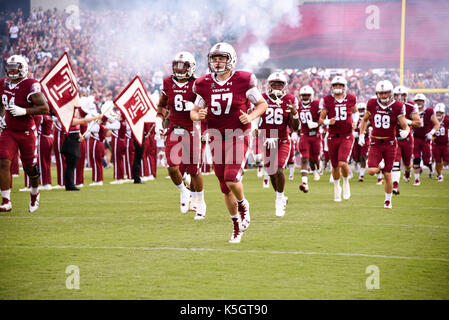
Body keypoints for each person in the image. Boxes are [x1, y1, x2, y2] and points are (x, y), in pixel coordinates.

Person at [190, 42, 268, 243]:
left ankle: (243, 204)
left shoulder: (243, 80)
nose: (217, 62)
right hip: (216, 137)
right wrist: (199, 115)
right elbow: (193, 112)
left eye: (221, 58)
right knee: (224, 187)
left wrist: (251, 118)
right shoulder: (203, 83)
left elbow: (262, 104)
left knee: (231, 177)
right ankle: (236, 227)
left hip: (238, 135)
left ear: (231, 59)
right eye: (214, 59)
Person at [155, 51, 207, 219]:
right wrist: (158, 120)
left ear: (190, 67)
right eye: (176, 65)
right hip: (174, 128)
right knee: (171, 166)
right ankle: (183, 192)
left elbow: (205, 106)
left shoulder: (197, 83)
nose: (178, 69)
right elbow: (162, 105)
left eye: (182, 66)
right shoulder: (167, 82)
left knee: (194, 170)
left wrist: (193, 107)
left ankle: (200, 202)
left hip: (192, 129)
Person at [0, 55, 49, 213]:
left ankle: (35, 192)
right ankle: (6, 200)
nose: (12, 70)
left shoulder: (31, 85)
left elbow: (45, 108)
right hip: (9, 130)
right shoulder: (3, 83)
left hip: (27, 131)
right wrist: (1, 117)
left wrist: (25, 111)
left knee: (30, 169)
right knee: (3, 160)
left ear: (23, 68)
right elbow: (1, 102)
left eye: (15, 67)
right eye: (10, 66)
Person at [358, 80, 410, 209]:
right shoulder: (371, 103)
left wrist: (406, 132)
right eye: (381, 93)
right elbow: (365, 119)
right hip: (375, 142)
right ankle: (381, 166)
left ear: (390, 93)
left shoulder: (397, 106)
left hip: (390, 143)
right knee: (371, 171)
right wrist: (361, 134)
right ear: (377, 93)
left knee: (387, 174)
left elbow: (404, 125)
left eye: (386, 93)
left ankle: (388, 201)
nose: (383, 95)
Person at [259, 71, 299, 217]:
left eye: (279, 84)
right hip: (267, 140)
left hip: (282, 139)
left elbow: (295, 126)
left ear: (284, 86)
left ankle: (279, 199)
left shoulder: (289, 99)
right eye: (274, 84)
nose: (276, 86)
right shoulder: (262, 98)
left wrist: (294, 114)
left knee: (278, 170)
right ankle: (281, 196)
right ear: (269, 85)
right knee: (271, 173)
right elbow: (256, 116)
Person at [319, 76, 358, 202]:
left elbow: (356, 112)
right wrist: (327, 121)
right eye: (335, 85)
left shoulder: (351, 98)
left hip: (346, 135)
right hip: (332, 136)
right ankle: (337, 187)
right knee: (335, 166)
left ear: (344, 87)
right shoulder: (327, 100)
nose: (338, 88)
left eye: (340, 85)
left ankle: (346, 183)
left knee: (343, 162)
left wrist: (355, 121)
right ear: (332, 87)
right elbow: (320, 120)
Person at [61, 108, 101, 191]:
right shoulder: (69, 120)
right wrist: (96, 117)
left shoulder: (73, 120)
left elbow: (77, 129)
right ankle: (69, 185)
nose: (76, 113)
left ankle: (70, 184)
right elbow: (84, 121)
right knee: (70, 167)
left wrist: (80, 135)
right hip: (70, 145)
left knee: (71, 166)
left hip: (73, 145)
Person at [391, 86, 420, 194]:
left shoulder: (411, 106)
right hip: (395, 138)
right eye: (397, 95)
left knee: (407, 163)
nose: (399, 97)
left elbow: (418, 123)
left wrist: (407, 121)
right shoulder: (390, 106)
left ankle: (407, 171)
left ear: (406, 95)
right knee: (396, 161)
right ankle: (395, 185)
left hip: (407, 138)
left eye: (402, 95)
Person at [412, 93, 440, 185]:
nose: (419, 102)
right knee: (416, 158)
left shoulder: (429, 111)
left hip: (425, 138)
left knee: (427, 160)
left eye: (420, 101)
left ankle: (431, 168)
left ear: (424, 102)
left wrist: (431, 133)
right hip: (415, 137)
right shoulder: (411, 111)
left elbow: (437, 124)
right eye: (417, 101)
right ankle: (417, 180)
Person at [298, 85, 321, 192]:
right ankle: (304, 182)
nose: (306, 97)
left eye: (307, 95)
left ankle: (316, 170)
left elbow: (323, 117)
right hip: (304, 134)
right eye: (304, 95)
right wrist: (294, 131)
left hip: (315, 135)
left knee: (315, 158)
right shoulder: (298, 105)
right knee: (305, 157)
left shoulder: (316, 104)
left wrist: (316, 124)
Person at [351, 102, 370, 182]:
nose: (361, 111)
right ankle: (357, 165)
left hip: (365, 139)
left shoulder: (368, 118)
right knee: (355, 158)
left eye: (362, 109)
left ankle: (361, 175)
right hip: (355, 140)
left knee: (363, 157)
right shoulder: (354, 118)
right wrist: (352, 132)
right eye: (360, 110)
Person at [432, 103, 449, 182]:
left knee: (446, 161)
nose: (439, 114)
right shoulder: (431, 119)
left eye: (440, 113)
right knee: (438, 161)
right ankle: (439, 175)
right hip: (436, 144)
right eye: (437, 113)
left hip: (445, 144)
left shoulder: (447, 119)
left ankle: (439, 172)